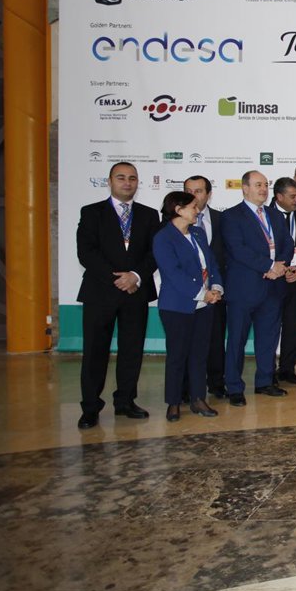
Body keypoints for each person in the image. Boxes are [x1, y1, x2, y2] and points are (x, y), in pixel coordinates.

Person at [75, 161, 160, 429]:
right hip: (100, 293)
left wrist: (135, 276)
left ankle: (125, 401)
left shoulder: (149, 215)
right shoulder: (92, 212)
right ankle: (90, 407)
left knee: (132, 351)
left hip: (136, 292)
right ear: (110, 181)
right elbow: (86, 252)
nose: (127, 182)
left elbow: (154, 253)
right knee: (94, 352)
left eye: (132, 178)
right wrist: (118, 279)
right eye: (121, 177)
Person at [220, 170, 294, 405]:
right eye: (258, 185)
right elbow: (237, 249)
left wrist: (279, 266)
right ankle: (234, 386)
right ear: (245, 188)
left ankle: (265, 381)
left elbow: (288, 243)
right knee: (237, 340)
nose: (263, 189)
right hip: (244, 288)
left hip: (273, 287)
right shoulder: (231, 216)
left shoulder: (275, 215)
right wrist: (269, 266)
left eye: (265, 185)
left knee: (268, 338)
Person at [152, 191, 223, 421]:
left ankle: (198, 398)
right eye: (193, 207)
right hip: (177, 307)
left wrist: (217, 287)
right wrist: (202, 294)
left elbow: (211, 264)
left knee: (199, 355)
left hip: (204, 306)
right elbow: (173, 274)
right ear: (178, 210)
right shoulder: (163, 238)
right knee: (177, 355)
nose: (197, 210)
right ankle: (173, 402)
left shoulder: (198, 233)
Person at [183, 175, 227, 399]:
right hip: (186, 295)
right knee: (186, 343)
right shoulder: (173, 223)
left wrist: (217, 288)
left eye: (198, 191)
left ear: (208, 194)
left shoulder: (222, 219)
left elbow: (227, 255)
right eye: (188, 191)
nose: (193, 196)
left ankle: (217, 383)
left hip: (216, 292)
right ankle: (186, 388)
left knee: (216, 340)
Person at [272, 177, 296, 385]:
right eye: (293, 196)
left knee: (292, 325)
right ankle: (268, 370)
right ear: (279, 197)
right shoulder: (266, 215)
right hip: (272, 280)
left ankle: (287, 369)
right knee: (270, 326)